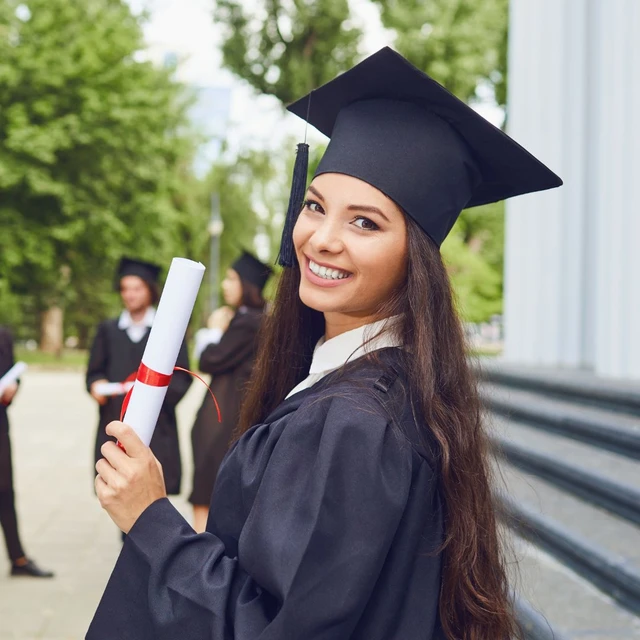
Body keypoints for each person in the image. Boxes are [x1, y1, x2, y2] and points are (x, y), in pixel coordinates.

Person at [87, 48, 562, 639]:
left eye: (365, 222)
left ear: (414, 257)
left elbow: (283, 628)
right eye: (315, 206)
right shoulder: (392, 388)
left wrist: (151, 518)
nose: (321, 239)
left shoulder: (355, 424)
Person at [86, 257, 192, 499]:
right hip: (115, 421)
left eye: (136, 288)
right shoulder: (108, 330)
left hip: (157, 426)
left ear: (149, 291)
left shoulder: (168, 331)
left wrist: (153, 398)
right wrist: (95, 386)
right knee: (118, 488)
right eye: (125, 289)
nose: (129, 295)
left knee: (152, 495)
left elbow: (183, 376)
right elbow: (94, 372)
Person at [189, 251, 272, 533]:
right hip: (231, 414)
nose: (225, 284)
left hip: (222, 417)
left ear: (247, 284)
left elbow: (209, 359)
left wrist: (214, 330)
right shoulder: (260, 317)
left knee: (205, 489)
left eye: (231, 278)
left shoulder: (248, 321)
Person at [0, 326, 54, 578]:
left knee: (4, 491)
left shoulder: (3, 334)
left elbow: (10, 373)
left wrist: (12, 388)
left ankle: (18, 558)